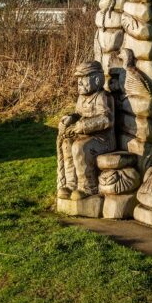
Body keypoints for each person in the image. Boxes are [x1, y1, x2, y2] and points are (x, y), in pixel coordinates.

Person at [56, 61, 116, 200]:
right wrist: (71, 118)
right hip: (86, 136)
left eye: (83, 78)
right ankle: (71, 184)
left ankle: (88, 187)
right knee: (67, 143)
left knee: (79, 147)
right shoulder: (82, 98)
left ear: (96, 79)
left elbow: (106, 119)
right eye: (78, 79)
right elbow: (78, 113)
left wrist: (83, 126)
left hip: (103, 140)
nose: (79, 83)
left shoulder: (103, 97)